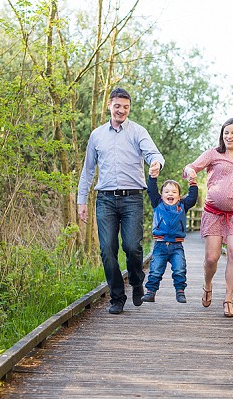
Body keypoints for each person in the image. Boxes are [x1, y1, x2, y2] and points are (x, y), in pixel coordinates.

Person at [77, 88, 164, 315]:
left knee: (133, 247)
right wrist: (81, 200)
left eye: (126, 107)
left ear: (129, 108)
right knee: (107, 249)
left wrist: (156, 164)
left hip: (132, 199)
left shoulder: (138, 131)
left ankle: (136, 281)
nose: (121, 110)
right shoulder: (97, 135)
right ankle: (117, 296)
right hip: (105, 199)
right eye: (117, 106)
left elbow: (154, 154)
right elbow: (87, 171)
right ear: (109, 105)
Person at [183, 118, 233, 318]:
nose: (229, 136)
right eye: (226, 132)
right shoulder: (213, 154)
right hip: (213, 213)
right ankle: (208, 284)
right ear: (222, 134)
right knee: (211, 258)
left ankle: (228, 299)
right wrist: (191, 172)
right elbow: (191, 167)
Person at [140, 171, 199, 304]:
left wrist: (193, 183)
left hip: (176, 246)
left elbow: (193, 198)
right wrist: (152, 177)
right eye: (166, 192)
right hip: (160, 245)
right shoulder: (157, 204)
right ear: (161, 196)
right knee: (155, 270)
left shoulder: (183, 206)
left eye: (174, 192)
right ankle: (150, 292)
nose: (170, 194)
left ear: (179, 196)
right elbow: (151, 190)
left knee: (180, 269)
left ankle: (180, 292)